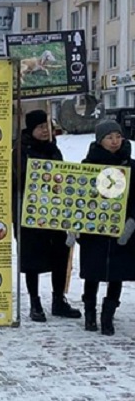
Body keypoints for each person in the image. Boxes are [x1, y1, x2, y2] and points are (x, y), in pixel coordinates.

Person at [12, 109, 81, 322]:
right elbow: (20, 178)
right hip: (29, 212)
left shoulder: (53, 149)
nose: (45, 131)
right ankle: (35, 302)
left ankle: (58, 300)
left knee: (60, 255)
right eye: (41, 127)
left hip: (54, 212)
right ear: (31, 128)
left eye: (48, 127)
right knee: (31, 259)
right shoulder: (21, 150)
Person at [78, 120, 135, 335]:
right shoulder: (88, 165)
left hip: (123, 230)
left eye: (118, 136)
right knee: (92, 273)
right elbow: (78, 198)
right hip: (94, 231)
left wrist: (131, 222)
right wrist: (74, 226)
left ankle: (108, 316)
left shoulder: (131, 166)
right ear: (99, 140)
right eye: (109, 137)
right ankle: (90, 314)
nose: (114, 141)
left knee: (117, 274)